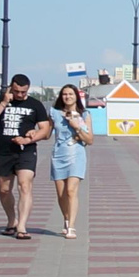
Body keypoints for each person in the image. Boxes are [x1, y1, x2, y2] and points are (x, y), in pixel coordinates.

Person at [0, 75, 52, 239]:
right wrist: (4, 103)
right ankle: (12, 220)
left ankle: (22, 226)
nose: (20, 95)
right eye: (17, 91)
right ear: (11, 88)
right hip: (4, 151)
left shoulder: (35, 105)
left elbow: (45, 130)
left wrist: (29, 139)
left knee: (24, 185)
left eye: (23, 91)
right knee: (4, 190)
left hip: (25, 151)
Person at [50, 85, 94, 239]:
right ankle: (67, 219)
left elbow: (90, 140)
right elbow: (46, 132)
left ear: (76, 96)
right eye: (64, 94)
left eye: (70, 94)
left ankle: (72, 226)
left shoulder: (85, 114)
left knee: (71, 191)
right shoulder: (54, 113)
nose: (67, 97)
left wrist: (77, 127)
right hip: (59, 154)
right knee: (61, 194)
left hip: (77, 154)